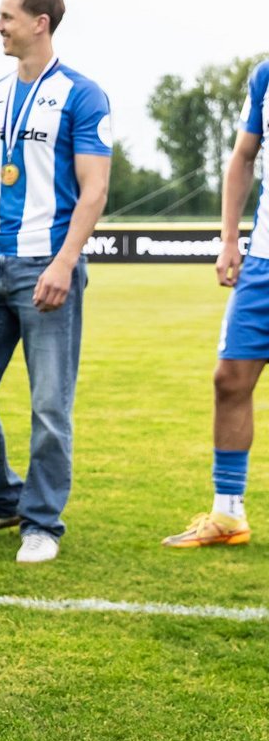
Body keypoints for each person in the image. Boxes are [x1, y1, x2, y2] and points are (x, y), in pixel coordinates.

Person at [0, 0, 112, 564]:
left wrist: (65, 262)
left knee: (49, 405)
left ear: (41, 22)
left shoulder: (83, 96)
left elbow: (94, 191)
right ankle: (0, 500)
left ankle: (42, 521)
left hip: (47, 266)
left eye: (7, 16)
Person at [161, 58, 269, 548]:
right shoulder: (265, 75)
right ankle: (228, 515)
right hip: (263, 261)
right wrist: (230, 238)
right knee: (229, 379)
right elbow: (244, 156)